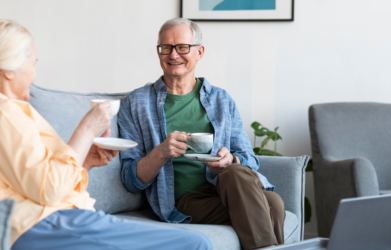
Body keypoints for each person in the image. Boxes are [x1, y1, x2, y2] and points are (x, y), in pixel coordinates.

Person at [0, 19, 213, 250]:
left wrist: (87, 161)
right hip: (44, 222)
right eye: (32, 64)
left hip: (57, 217)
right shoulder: (6, 113)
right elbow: (49, 191)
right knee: (195, 244)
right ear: (9, 71)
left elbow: (39, 182)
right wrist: (86, 129)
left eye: (182, 47)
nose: (33, 76)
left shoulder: (18, 112)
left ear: (199, 52)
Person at [118, 18, 285, 250]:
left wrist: (231, 160)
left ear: (200, 52)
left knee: (236, 173)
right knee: (274, 204)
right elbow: (130, 179)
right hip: (186, 201)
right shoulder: (136, 104)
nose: (173, 55)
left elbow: (250, 159)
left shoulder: (221, 100)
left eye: (182, 47)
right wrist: (161, 152)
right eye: (165, 47)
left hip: (225, 187)